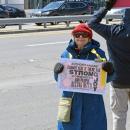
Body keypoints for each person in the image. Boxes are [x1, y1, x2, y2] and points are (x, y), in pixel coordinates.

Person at [54, 23, 114, 130]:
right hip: (71, 102)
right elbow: (60, 80)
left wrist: (109, 72)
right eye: (77, 35)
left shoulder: (99, 54)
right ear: (74, 37)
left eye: (84, 35)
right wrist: (56, 72)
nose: (80, 37)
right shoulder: (66, 54)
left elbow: (106, 80)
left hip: (92, 102)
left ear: (89, 38)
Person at [87, 0, 130, 130]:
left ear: (123, 18)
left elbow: (91, 23)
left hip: (118, 81)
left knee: (119, 116)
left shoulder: (112, 31)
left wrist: (106, 8)